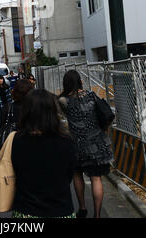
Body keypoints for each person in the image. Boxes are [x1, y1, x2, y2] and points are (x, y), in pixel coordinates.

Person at [11, 89, 77, 218]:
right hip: (61, 209)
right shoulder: (66, 141)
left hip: (26, 210)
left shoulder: (17, 140)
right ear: (52, 111)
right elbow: (69, 173)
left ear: (26, 111)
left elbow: (14, 171)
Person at [58, 69, 113, 219]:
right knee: (96, 178)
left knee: (77, 175)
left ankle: (82, 208)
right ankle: (97, 215)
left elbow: (62, 122)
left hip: (76, 145)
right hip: (97, 143)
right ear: (80, 81)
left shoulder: (63, 101)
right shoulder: (92, 96)